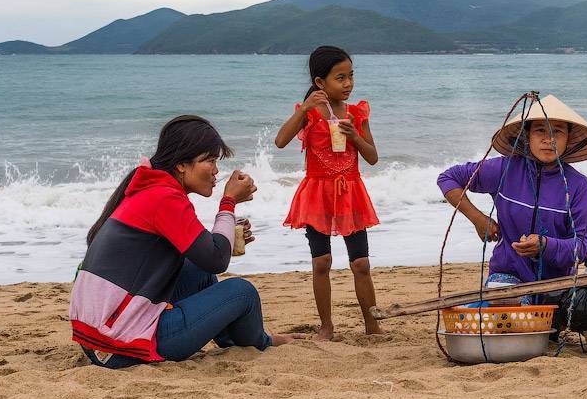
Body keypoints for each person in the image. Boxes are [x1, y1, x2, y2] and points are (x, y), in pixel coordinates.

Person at [69, 115, 305, 368]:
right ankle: (260, 342)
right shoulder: (165, 198)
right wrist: (228, 204)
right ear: (182, 164)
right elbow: (216, 260)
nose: (216, 170)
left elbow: (204, 253)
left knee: (198, 271)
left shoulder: (149, 188)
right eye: (210, 160)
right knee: (243, 292)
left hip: (100, 336)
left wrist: (225, 236)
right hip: (119, 345)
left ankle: (234, 341)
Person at [437, 95, 587, 304]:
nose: (548, 139)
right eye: (540, 131)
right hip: (507, 276)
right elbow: (448, 178)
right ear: (527, 136)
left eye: (558, 132)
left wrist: (545, 245)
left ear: (568, 140)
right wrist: (478, 219)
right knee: (504, 304)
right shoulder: (504, 169)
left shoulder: (578, 185)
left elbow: (584, 245)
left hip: (556, 285)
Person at [275, 45, 383, 340]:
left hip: (350, 192)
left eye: (350, 76)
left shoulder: (357, 113)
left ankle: (372, 324)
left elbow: (372, 157)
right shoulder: (308, 114)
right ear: (320, 83)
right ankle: (326, 326)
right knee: (321, 262)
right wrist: (307, 109)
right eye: (340, 78)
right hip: (317, 194)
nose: (348, 84)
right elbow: (280, 141)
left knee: (360, 263)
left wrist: (355, 137)